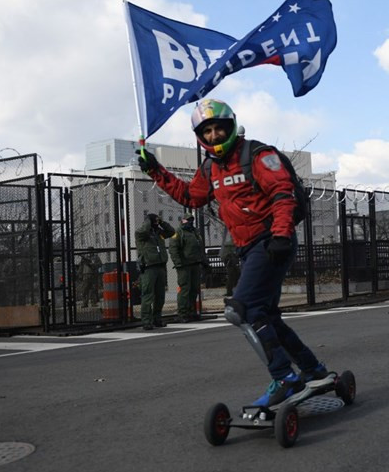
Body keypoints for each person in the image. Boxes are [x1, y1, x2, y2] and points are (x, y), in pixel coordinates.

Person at [137, 98, 329, 407]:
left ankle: (285, 377)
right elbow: (190, 196)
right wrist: (156, 171)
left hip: (271, 241)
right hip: (248, 248)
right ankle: (313, 369)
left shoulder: (257, 155)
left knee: (242, 308)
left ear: (231, 127)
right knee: (266, 316)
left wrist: (281, 234)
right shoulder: (210, 167)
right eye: (207, 131)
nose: (214, 135)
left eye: (219, 128)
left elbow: (283, 193)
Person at [135, 213, 174, 329]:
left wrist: (162, 222)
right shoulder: (141, 234)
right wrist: (148, 220)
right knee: (148, 295)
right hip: (148, 267)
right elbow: (143, 231)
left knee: (160, 296)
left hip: (160, 266)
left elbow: (171, 232)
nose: (156, 223)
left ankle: (157, 319)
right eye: (155, 221)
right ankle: (146, 321)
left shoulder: (159, 233)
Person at [169, 214, 205, 321]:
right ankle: (183, 313)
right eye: (188, 220)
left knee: (194, 289)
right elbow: (173, 248)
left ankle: (191, 311)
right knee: (185, 289)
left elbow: (199, 247)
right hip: (184, 265)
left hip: (195, 263)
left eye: (191, 220)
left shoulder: (195, 232)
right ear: (183, 220)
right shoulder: (179, 232)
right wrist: (178, 263)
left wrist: (203, 260)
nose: (190, 222)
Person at [220, 227, 240, 297]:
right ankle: (231, 291)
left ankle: (231, 291)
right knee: (233, 277)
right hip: (232, 262)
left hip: (232, 262)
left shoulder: (230, 243)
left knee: (233, 277)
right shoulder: (232, 243)